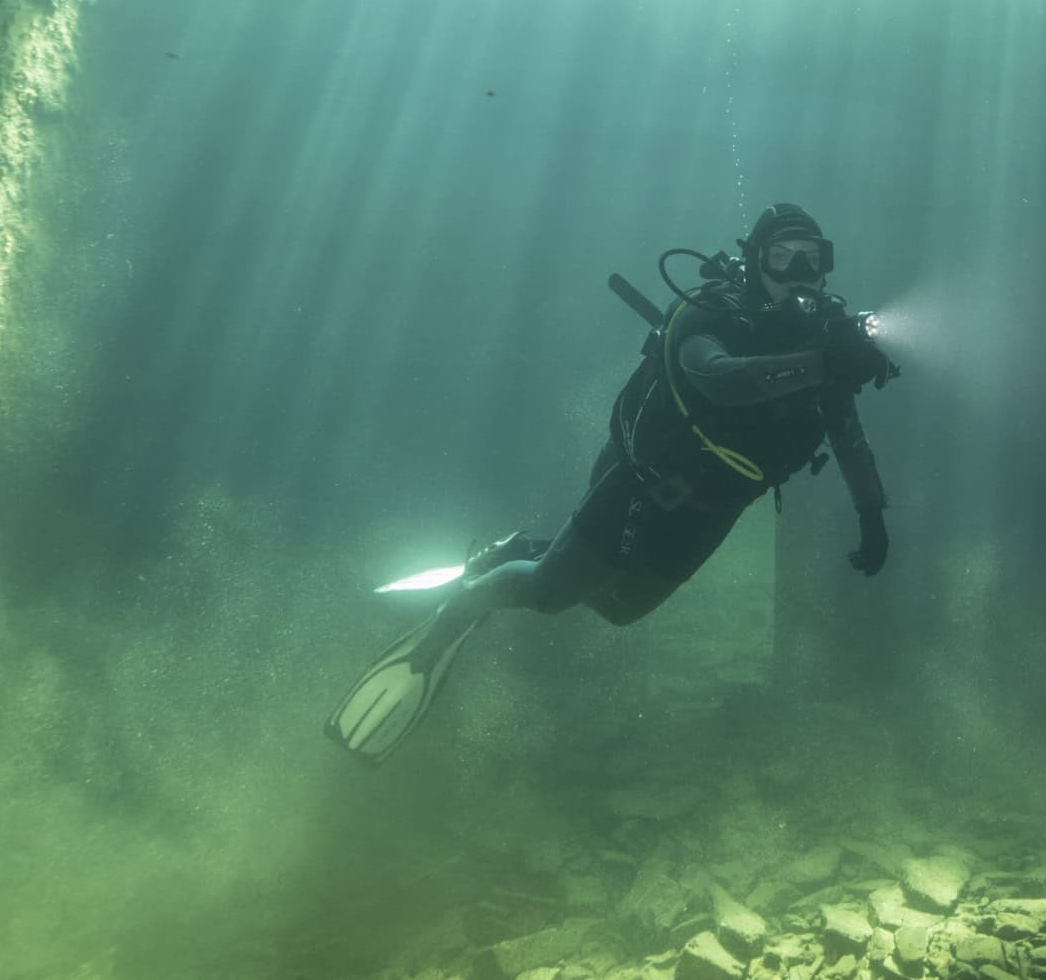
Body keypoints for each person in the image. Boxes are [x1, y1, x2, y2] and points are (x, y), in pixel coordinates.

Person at [329, 201, 898, 761]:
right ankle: (465, 605)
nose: (799, 274)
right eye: (782, 258)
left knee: (620, 609)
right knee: (551, 596)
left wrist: (872, 516)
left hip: (715, 508)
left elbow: (849, 439)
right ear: (755, 262)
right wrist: (823, 364)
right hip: (643, 484)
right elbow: (720, 381)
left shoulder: (830, 344)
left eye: (811, 259)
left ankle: (527, 551)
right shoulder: (713, 313)